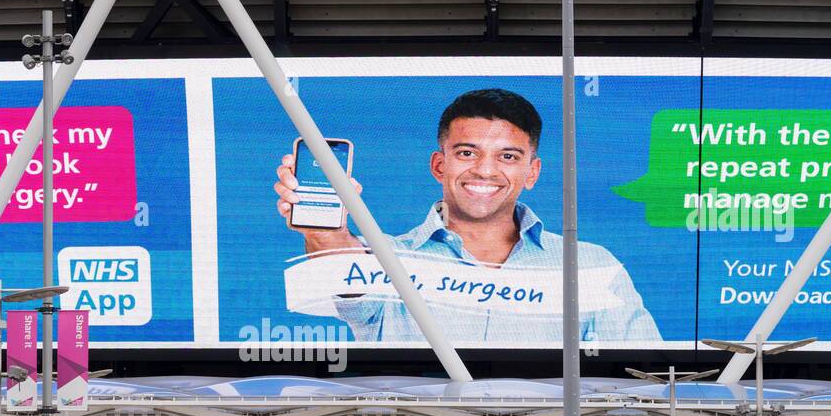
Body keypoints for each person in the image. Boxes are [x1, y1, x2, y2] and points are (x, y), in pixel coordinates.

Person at [273, 88, 660, 344]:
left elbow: (641, 379)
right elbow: (343, 264)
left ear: (532, 172)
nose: (485, 171)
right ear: (439, 165)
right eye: (467, 153)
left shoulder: (590, 266)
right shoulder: (385, 260)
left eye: (508, 157)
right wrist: (322, 231)